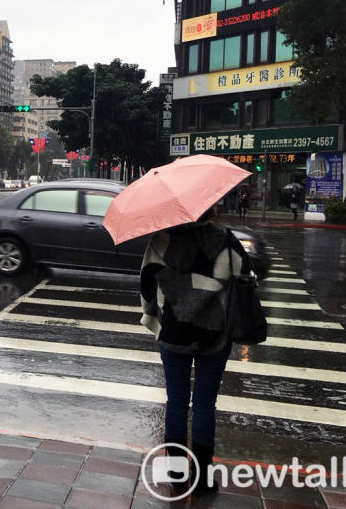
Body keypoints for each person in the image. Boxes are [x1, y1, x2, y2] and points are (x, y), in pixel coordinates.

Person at [140, 206, 250, 497]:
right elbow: (246, 280)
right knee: (204, 405)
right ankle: (202, 479)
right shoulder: (227, 241)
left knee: (176, 402)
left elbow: (146, 286)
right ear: (211, 209)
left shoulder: (160, 241)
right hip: (214, 338)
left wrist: (156, 320)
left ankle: (175, 475)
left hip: (173, 335)